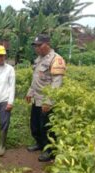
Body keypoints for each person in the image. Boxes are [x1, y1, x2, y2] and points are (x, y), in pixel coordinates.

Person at [26, 34, 66, 162]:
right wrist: (30, 91)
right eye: (35, 46)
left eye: (39, 45)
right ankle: (40, 144)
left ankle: (50, 151)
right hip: (36, 99)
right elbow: (35, 78)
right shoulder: (39, 59)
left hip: (47, 101)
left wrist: (49, 102)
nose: (36, 48)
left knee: (47, 128)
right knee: (35, 125)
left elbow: (56, 83)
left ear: (47, 44)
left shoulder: (56, 59)